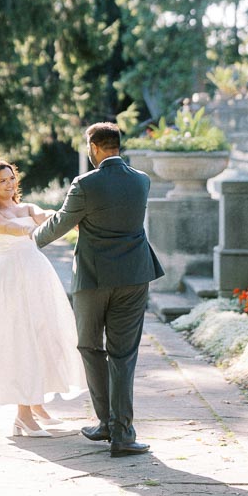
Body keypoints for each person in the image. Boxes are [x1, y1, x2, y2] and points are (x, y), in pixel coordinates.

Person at [32, 121, 163, 457]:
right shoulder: (142, 181)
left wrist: (29, 241)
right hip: (135, 276)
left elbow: (61, 223)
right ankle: (121, 433)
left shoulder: (86, 184)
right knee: (124, 355)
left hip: (93, 279)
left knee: (90, 347)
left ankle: (107, 421)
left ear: (93, 147)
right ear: (118, 145)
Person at [0, 158, 86, 437]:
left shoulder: (25, 207)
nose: (10, 184)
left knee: (44, 333)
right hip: (10, 279)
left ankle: (37, 405)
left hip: (36, 274)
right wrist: (34, 229)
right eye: (3, 180)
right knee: (19, 339)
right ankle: (22, 415)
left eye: (12, 179)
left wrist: (67, 221)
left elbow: (45, 214)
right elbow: (15, 229)